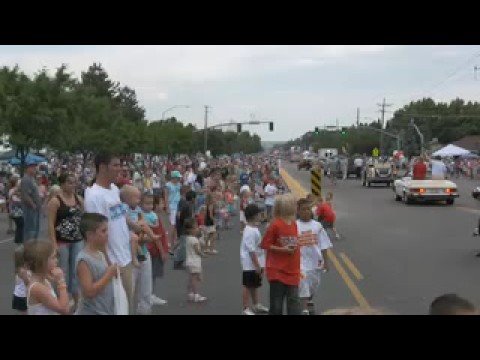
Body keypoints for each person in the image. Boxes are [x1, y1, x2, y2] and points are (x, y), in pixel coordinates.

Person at [84, 153, 135, 314]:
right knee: (117, 308)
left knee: (126, 306)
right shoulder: (94, 196)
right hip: (113, 262)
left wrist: (135, 227)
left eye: (120, 165)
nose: (120, 169)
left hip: (125, 256)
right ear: (102, 167)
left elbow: (120, 216)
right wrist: (108, 264)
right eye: (115, 165)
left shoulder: (113, 189)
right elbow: (96, 235)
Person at [47, 173, 84, 310]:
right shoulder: (55, 201)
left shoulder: (79, 199)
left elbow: (83, 218)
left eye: (74, 182)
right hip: (62, 241)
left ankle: (77, 302)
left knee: (76, 271)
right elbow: (50, 223)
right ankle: (62, 302)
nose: (72, 185)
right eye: (69, 182)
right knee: (62, 272)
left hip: (77, 240)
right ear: (62, 184)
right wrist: (53, 243)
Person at [260, 193, 301, 315]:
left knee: (294, 307)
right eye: (294, 204)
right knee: (276, 306)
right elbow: (265, 245)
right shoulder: (275, 225)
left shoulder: (294, 224)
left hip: (293, 271)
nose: (296, 207)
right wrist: (284, 250)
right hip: (277, 271)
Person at [75, 213, 117, 315]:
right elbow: (89, 292)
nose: (107, 233)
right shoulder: (84, 260)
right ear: (90, 235)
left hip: (106, 309)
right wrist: (108, 275)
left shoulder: (100, 253)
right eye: (103, 231)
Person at [296, 198, 332, 315]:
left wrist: (326, 262)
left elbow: (324, 245)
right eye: (303, 210)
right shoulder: (294, 226)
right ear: (298, 211)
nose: (306, 212)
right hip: (300, 263)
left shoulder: (317, 226)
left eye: (308, 209)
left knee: (314, 285)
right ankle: (304, 309)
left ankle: (308, 299)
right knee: (303, 283)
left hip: (315, 262)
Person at [24, 240, 71, 315]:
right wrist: (61, 281)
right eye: (53, 257)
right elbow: (64, 309)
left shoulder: (43, 280)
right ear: (42, 262)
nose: (57, 260)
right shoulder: (38, 288)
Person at [240, 204, 269, 315]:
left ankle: (256, 304)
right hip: (250, 263)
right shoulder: (249, 231)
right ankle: (245, 308)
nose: (260, 215)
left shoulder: (253, 228)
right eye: (258, 214)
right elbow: (251, 251)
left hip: (256, 262)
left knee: (255, 284)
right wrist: (257, 265)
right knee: (247, 285)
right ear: (254, 216)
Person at [141, 193, 168, 306]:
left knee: (153, 274)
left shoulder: (154, 217)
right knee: (152, 274)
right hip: (153, 250)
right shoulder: (147, 217)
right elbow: (156, 237)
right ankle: (149, 295)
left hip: (154, 249)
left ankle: (150, 295)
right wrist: (162, 251)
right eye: (160, 203)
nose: (162, 205)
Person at [185, 218, 207, 303]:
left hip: (189, 260)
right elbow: (197, 250)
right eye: (195, 227)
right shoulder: (194, 240)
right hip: (194, 261)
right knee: (195, 279)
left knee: (191, 278)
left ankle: (190, 293)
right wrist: (202, 254)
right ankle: (196, 294)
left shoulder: (188, 238)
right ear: (190, 230)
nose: (197, 229)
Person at [174, 187, 196, 269]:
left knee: (184, 244)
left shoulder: (188, 204)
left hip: (184, 227)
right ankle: (177, 261)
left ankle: (181, 261)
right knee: (183, 245)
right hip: (183, 228)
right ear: (193, 198)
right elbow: (181, 216)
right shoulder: (186, 205)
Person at [20, 161, 42, 242]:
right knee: (30, 230)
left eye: (35, 167)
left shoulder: (32, 178)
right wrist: (33, 205)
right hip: (30, 209)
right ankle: (28, 249)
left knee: (35, 229)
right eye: (32, 167)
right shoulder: (26, 179)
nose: (35, 169)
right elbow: (25, 195)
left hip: (35, 208)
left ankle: (33, 248)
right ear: (27, 168)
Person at [164, 170, 182, 253]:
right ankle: (170, 245)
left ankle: (174, 243)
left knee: (176, 225)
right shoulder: (168, 185)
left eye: (179, 177)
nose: (178, 179)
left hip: (178, 205)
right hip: (172, 206)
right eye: (177, 177)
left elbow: (179, 194)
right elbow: (166, 196)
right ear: (173, 177)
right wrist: (167, 207)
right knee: (172, 225)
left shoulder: (178, 185)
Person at [12, 245, 31, 314]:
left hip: (22, 295)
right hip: (22, 297)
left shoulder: (22, 268)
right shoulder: (22, 271)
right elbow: (27, 283)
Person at [8, 176, 24, 244]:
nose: (19, 183)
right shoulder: (13, 190)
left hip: (15, 210)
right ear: (15, 182)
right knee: (20, 224)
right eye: (18, 181)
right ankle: (19, 240)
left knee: (20, 225)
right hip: (16, 210)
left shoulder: (14, 189)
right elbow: (15, 200)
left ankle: (18, 240)